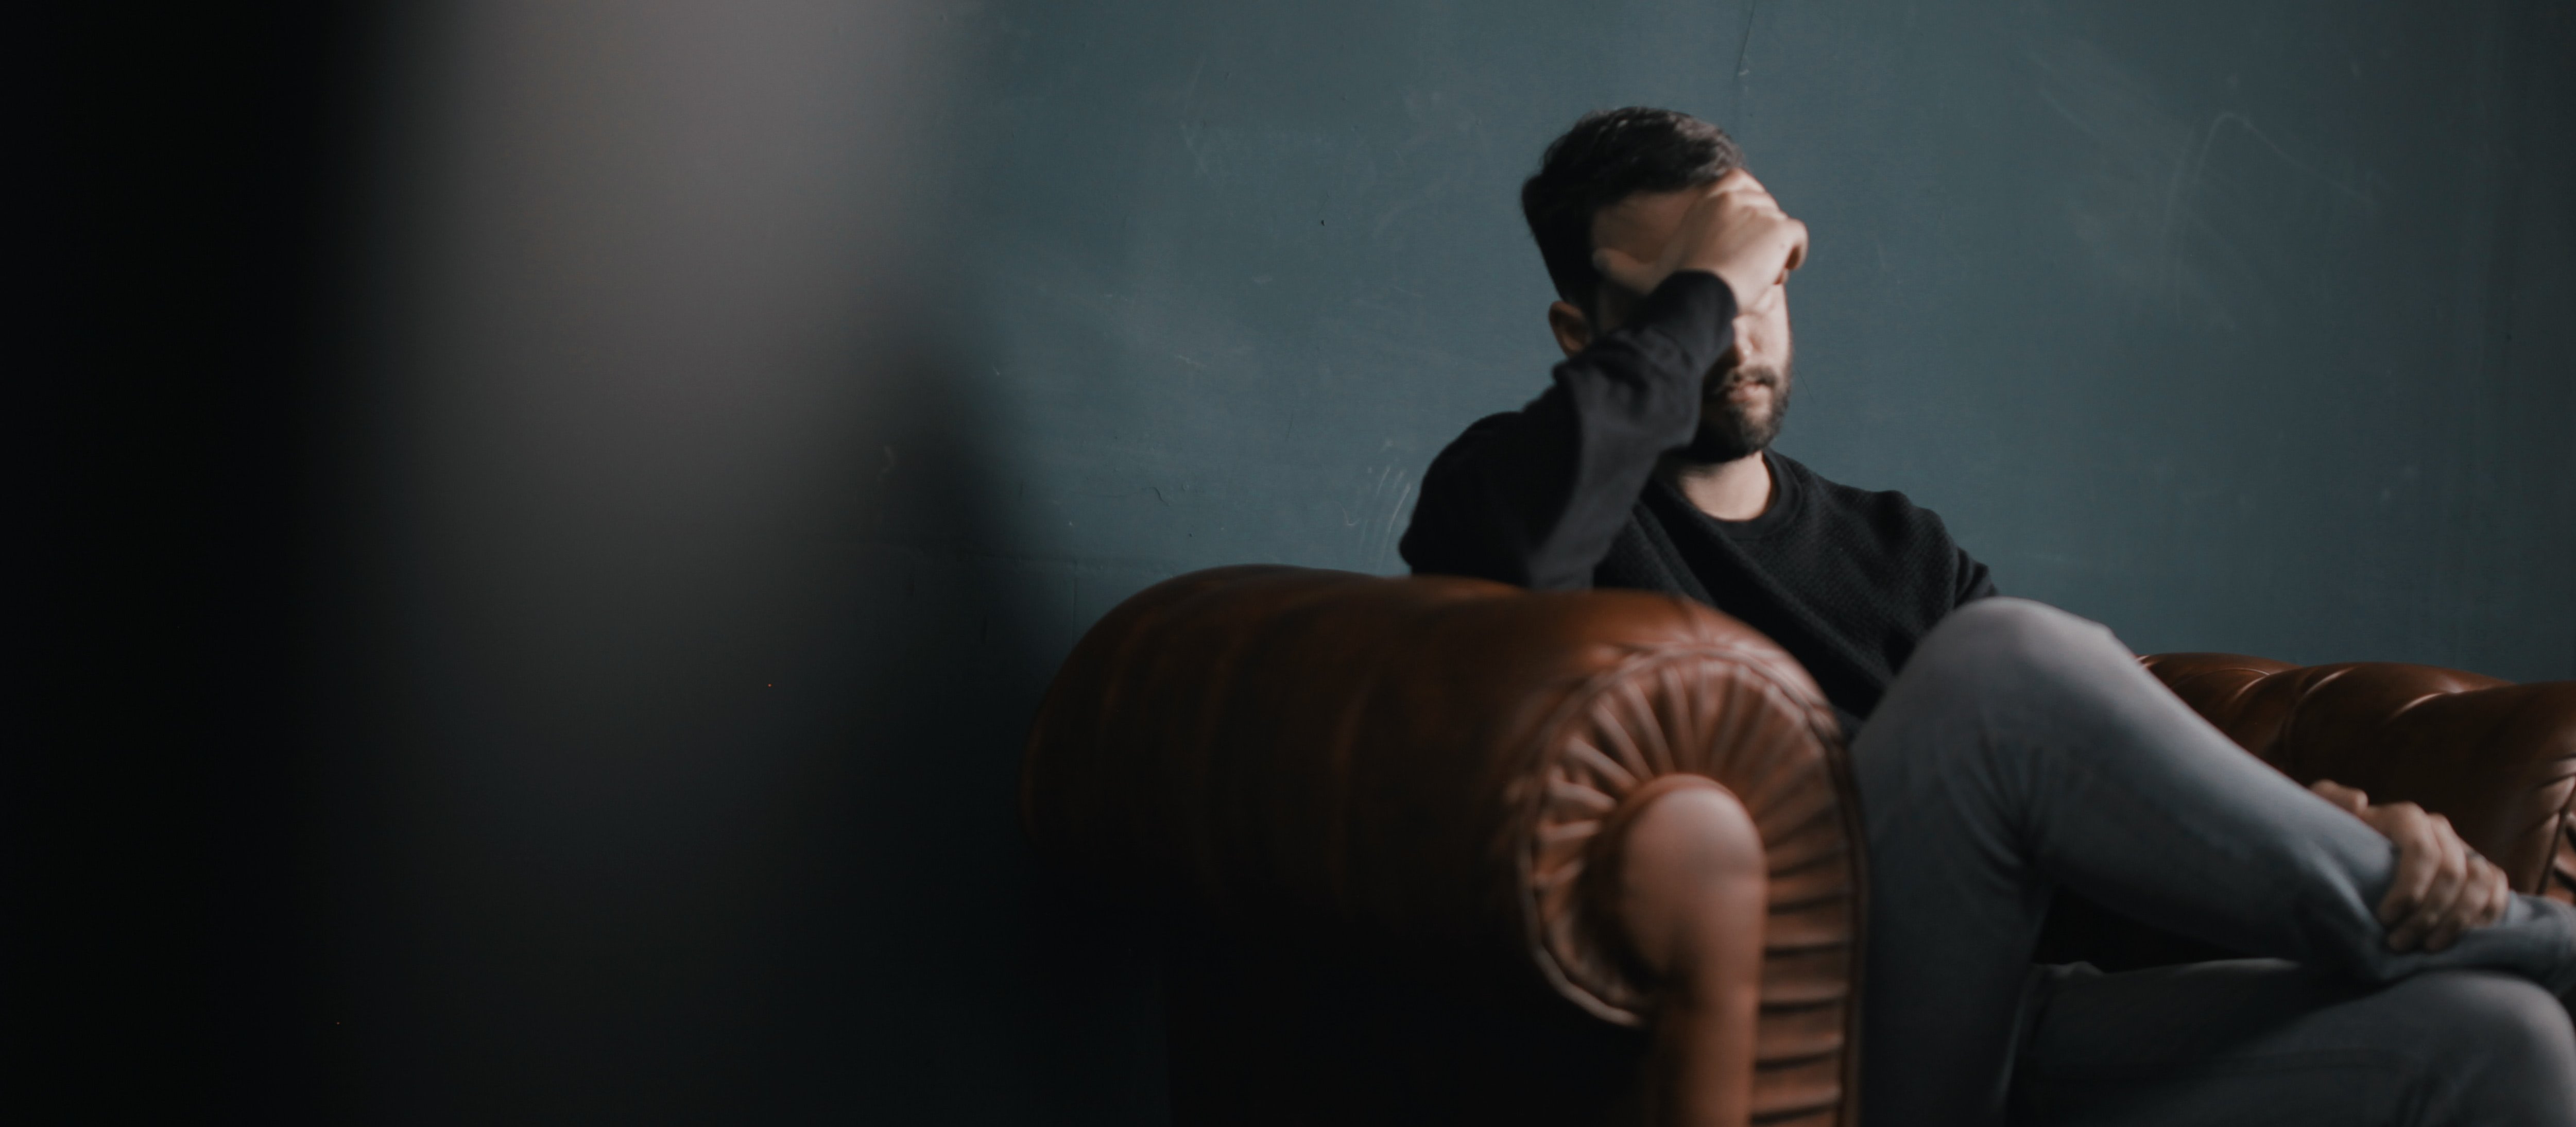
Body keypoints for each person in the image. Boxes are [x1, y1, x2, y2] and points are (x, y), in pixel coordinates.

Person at [1399, 107, 2576, 1126]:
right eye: (1688, 301)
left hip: (1995, 1031)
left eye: (1761, 286)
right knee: (2002, 663)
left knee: (2498, 1037)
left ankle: (2472, 938)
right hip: (1790, 1052)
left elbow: (2077, 866)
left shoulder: (1898, 548)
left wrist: (2309, 835)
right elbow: (1511, 559)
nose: (1738, 334)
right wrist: (1711, 280)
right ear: (1584, 335)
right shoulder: (1514, 489)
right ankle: (2537, 938)